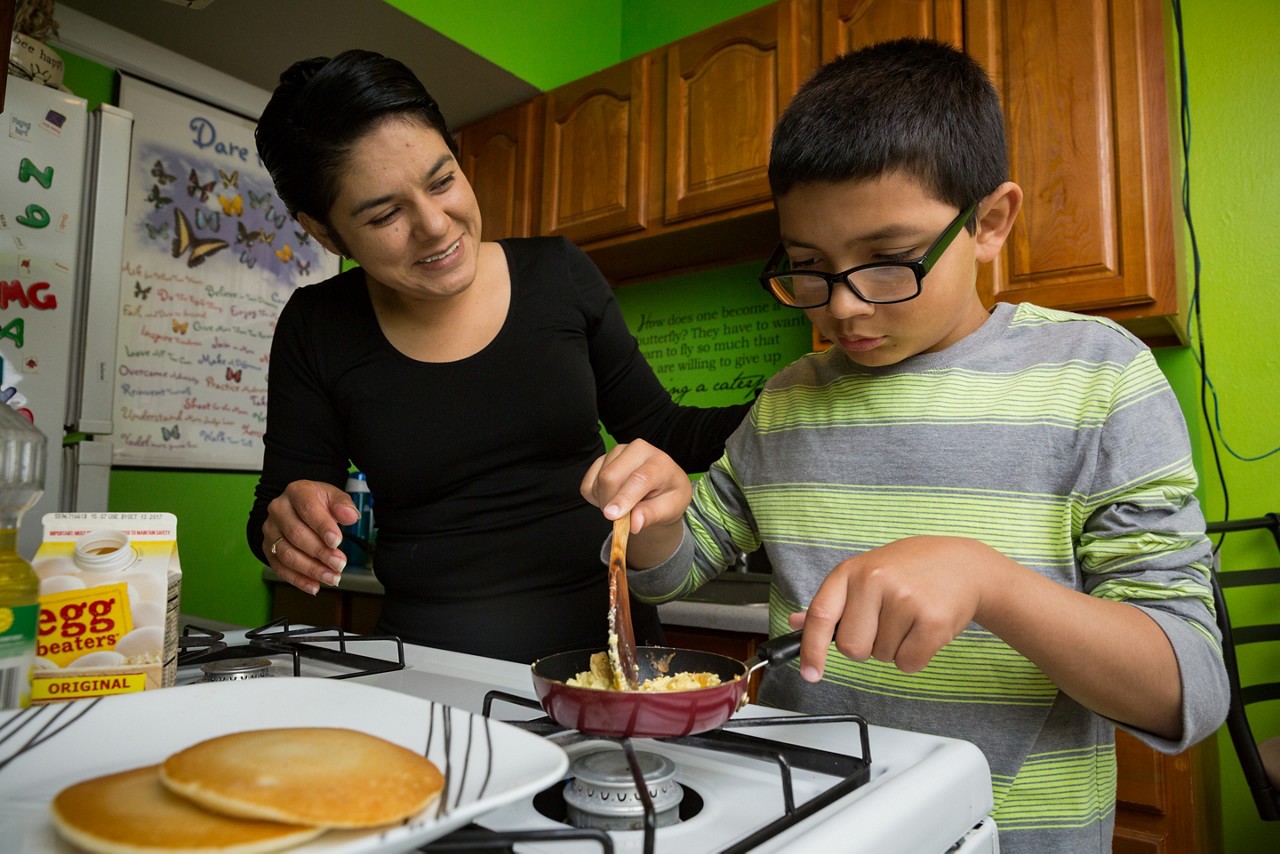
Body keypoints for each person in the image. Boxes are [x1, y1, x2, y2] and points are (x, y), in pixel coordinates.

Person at [581, 38, 1228, 853]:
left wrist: (990, 583)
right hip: (805, 820)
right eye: (810, 267)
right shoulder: (786, 401)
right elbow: (676, 569)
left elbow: (1190, 688)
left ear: (990, 222)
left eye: (888, 262)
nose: (844, 308)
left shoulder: (1099, 378)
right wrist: (663, 513)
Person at [247, 49, 750, 662]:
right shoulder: (316, 326)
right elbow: (275, 510)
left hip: (608, 656)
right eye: (385, 215)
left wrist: (796, 400)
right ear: (324, 232)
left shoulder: (559, 274)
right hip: (428, 666)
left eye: (443, 181)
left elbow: (668, 430)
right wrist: (286, 530)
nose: (435, 225)